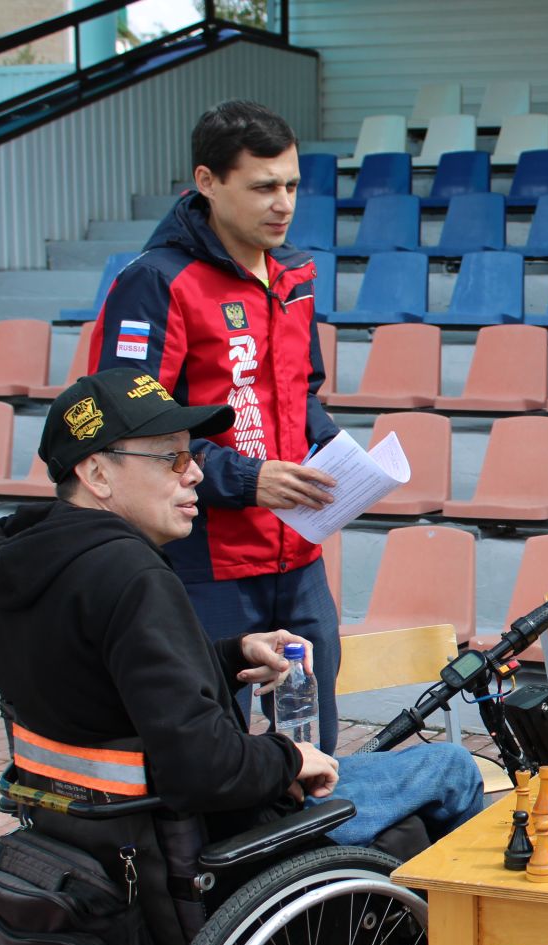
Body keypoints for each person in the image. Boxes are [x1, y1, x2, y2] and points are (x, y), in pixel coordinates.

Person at [0, 366, 484, 857]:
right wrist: (289, 757)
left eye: (190, 455)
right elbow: (203, 767)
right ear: (98, 473)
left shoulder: (25, 563)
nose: (195, 472)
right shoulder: (135, 577)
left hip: (95, 830)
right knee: (451, 766)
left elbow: (101, 686)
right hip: (208, 837)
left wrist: (230, 652)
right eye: (171, 459)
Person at [92, 99, 348, 751]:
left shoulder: (295, 274)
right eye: (263, 187)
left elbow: (301, 391)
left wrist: (342, 460)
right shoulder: (156, 282)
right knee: (205, 743)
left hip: (298, 555)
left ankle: (314, 852)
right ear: (207, 182)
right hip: (201, 560)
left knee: (313, 741)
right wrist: (245, 478)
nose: (283, 203)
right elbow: (130, 425)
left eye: (291, 185)